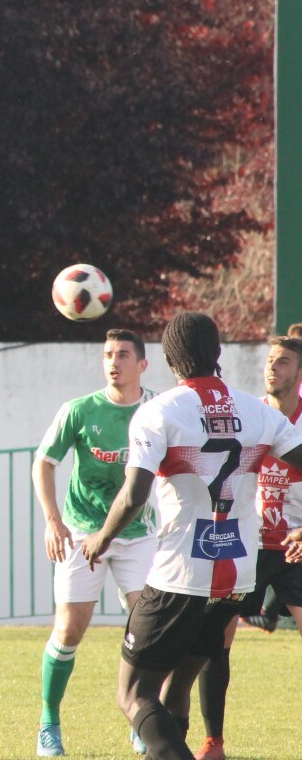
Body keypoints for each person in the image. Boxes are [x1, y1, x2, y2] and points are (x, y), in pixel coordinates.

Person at [82, 312, 302, 760]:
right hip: (238, 574)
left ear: (169, 357)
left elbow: (133, 495)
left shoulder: (158, 412)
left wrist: (100, 538)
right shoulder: (257, 411)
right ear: (217, 353)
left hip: (181, 572)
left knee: (134, 693)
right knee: (177, 683)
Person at [32, 330, 156, 757]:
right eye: (107, 355)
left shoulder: (157, 410)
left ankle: (141, 720)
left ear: (142, 364)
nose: (113, 362)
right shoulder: (79, 410)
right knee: (69, 630)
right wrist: (53, 521)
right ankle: (49, 722)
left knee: (147, 629)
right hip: (82, 531)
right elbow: (43, 464)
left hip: (137, 534)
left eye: (123, 354)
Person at [185, 336, 302, 760]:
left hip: (295, 547)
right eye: (270, 361)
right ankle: (213, 742)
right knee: (218, 638)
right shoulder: (249, 416)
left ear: (299, 373)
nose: (273, 368)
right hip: (247, 545)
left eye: (284, 362)